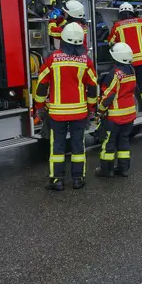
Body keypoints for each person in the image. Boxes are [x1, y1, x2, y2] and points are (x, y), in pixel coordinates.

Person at [33, 22, 99, 191]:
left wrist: (39, 107)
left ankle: (57, 180)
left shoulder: (52, 59)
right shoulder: (86, 61)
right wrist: (92, 108)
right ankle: (78, 179)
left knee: (57, 146)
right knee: (78, 145)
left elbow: (41, 85)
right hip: (79, 112)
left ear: (63, 39)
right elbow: (93, 87)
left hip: (57, 113)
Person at [107, 2, 142, 125]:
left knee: (128, 86)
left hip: (127, 62)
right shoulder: (141, 22)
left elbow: (111, 42)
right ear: (132, 12)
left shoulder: (117, 26)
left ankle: (129, 109)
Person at [94, 43, 138, 178]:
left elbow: (108, 95)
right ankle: (123, 169)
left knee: (108, 143)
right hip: (129, 115)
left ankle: (107, 171)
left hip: (115, 117)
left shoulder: (115, 74)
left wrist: (100, 111)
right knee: (123, 141)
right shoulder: (131, 71)